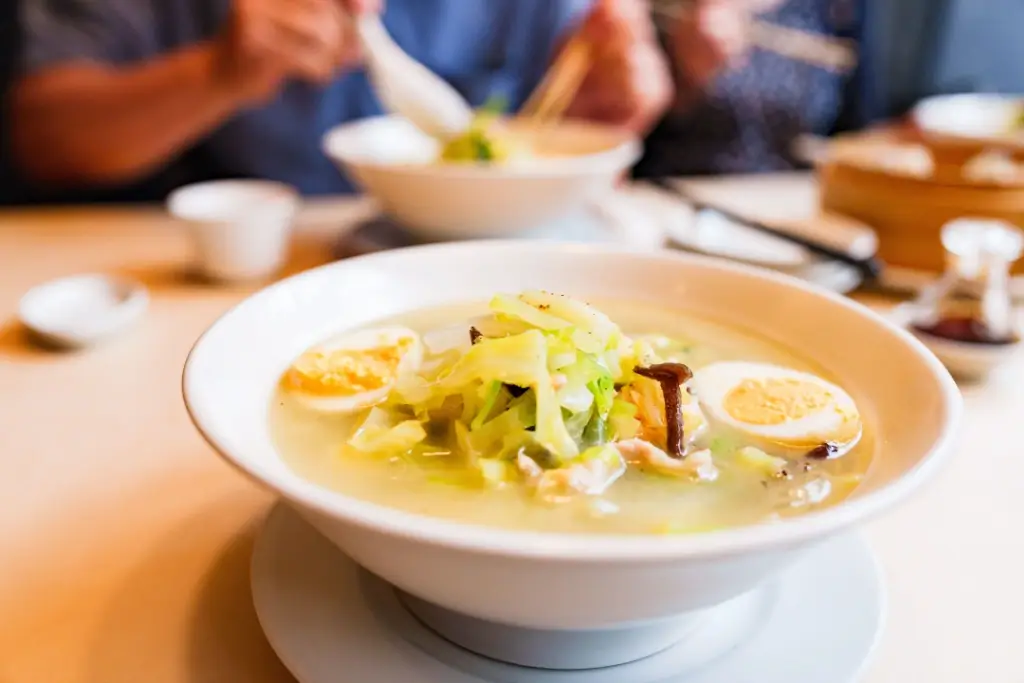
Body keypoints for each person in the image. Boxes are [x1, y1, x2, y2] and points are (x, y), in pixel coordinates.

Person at [10, 0, 672, 203]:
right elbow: (44, 134)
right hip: (258, 269)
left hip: (493, 257)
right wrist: (217, 74)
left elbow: (603, 107)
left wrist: (621, 94)